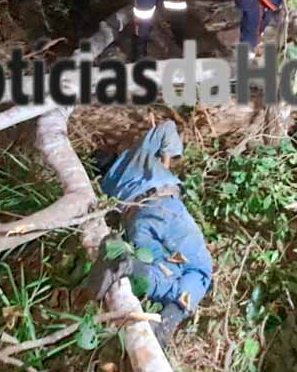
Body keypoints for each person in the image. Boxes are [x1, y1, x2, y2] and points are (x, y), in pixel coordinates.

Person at [84, 121, 212, 345]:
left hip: (136, 220)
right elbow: (167, 127)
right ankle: (170, 317)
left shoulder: (107, 185)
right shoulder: (135, 155)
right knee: (202, 269)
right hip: (163, 205)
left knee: (166, 271)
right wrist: (165, 163)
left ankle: (129, 266)